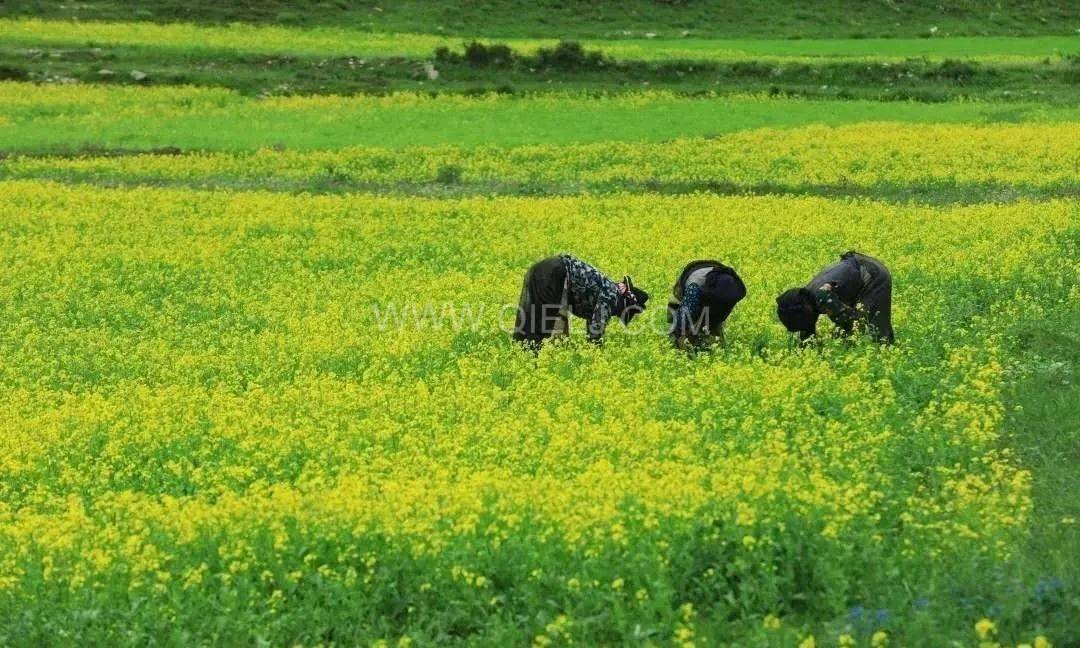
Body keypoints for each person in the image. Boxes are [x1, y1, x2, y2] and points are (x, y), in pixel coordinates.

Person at [513, 254, 648, 349]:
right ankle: (531, 355)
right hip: (555, 274)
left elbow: (592, 322)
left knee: (533, 316)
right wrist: (597, 353)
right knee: (545, 324)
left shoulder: (607, 287)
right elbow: (597, 329)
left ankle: (523, 351)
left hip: (550, 267)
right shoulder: (612, 295)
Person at [775, 251, 894, 344]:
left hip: (873, 275)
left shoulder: (822, 296)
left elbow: (850, 323)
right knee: (843, 335)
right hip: (854, 275)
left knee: (876, 327)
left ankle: (887, 350)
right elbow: (807, 331)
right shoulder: (804, 297)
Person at [668, 260, 747, 349]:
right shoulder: (694, 289)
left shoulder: (730, 287)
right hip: (693, 280)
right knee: (682, 326)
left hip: (713, 285)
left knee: (712, 328)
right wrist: (680, 336)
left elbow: (719, 316)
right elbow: (683, 317)